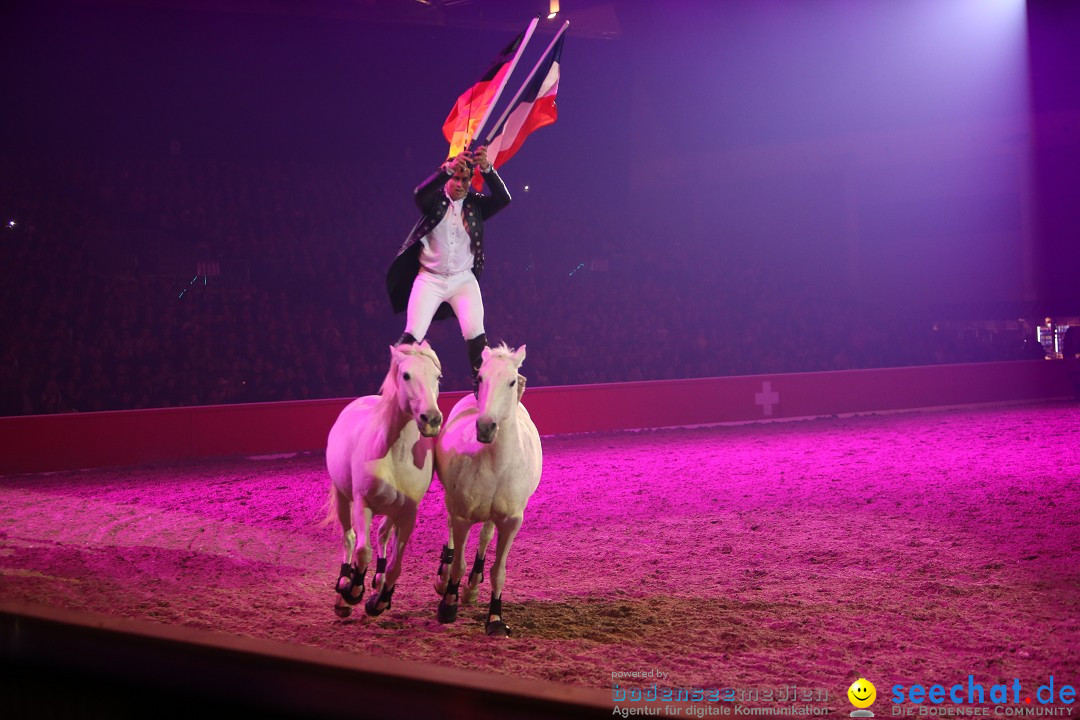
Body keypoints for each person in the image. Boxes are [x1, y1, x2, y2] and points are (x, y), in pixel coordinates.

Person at [386, 146, 511, 390]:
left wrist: (487, 169)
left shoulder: (475, 206)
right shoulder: (433, 202)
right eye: (456, 177)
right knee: (411, 337)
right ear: (449, 178)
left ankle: (481, 390)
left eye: (465, 179)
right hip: (429, 279)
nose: (461, 183)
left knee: (477, 336)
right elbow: (418, 193)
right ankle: (394, 388)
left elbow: (504, 199)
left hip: (463, 282)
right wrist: (446, 169)